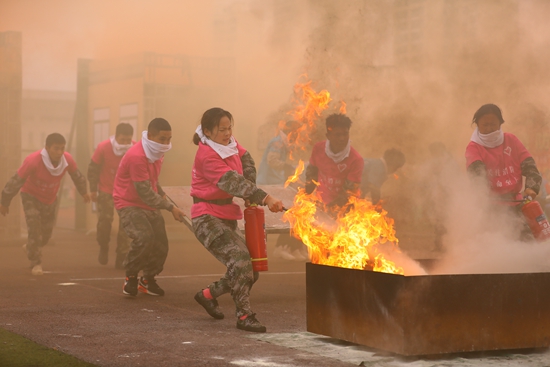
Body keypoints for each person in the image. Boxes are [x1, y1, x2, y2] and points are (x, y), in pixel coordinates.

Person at [191, 107, 284, 333]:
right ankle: (244, 315)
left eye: (229, 127)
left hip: (227, 214)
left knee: (252, 269)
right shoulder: (206, 155)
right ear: (207, 131)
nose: (227, 133)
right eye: (221, 129)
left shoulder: (229, 143)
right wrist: (262, 197)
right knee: (241, 259)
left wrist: (250, 194)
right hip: (206, 217)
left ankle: (207, 294)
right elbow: (232, 182)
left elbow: (246, 158)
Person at [113, 118, 185, 297]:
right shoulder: (137, 156)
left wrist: (162, 194)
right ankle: (130, 277)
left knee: (161, 243)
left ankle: (148, 280)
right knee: (144, 237)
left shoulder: (157, 152)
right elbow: (144, 192)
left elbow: (153, 180)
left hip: (150, 203)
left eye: (169, 139)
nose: (166, 143)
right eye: (162, 139)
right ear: (150, 136)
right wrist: (170, 207)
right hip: (129, 203)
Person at [0, 133, 90, 275]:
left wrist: (84, 191)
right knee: (34, 228)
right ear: (47, 148)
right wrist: (5, 201)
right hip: (30, 196)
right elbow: (16, 180)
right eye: (56, 149)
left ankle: (30, 247)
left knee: (46, 235)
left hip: (50, 199)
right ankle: (36, 263)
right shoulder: (33, 161)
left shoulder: (67, 160)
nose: (59, 152)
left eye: (62, 148)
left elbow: (77, 175)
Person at [465, 103, 542, 239]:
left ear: (500, 123)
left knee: (528, 242)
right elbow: (477, 174)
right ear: (477, 125)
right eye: (485, 125)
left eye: (493, 124)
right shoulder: (474, 147)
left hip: (518, 205)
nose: (489, 128)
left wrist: (531, 188)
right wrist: (483, 195)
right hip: (491, 208)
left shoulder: (511, 140)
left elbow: (530, 166)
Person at [87, 123, 134, 268]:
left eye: (128, 140)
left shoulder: (136, 148)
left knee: (126, 226)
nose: (125, 143)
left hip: (126, 193)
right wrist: (93, 189)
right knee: (105, 222)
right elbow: (93, 169)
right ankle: (104, 245)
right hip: (106, 190)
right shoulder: (103, 147)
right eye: (122, 140)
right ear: (116, 136)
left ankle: (121, 256)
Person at [305, 113, 363, 208]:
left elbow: (348, 192)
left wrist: (329, 209)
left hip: (346, 209)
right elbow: (311, 175)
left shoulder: (356, 160)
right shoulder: (318, 148)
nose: (342, 139)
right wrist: (306, 198)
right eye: (337, 135)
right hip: (321, 202)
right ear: (328, 135)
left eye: (345, 134)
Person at [257, 120, 300, 185]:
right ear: (290, 132)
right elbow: (272, 161)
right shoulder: (278, 142)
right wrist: (286, 167)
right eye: (296, 133)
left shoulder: (284, 143)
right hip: (267, 183)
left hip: (274, 182)